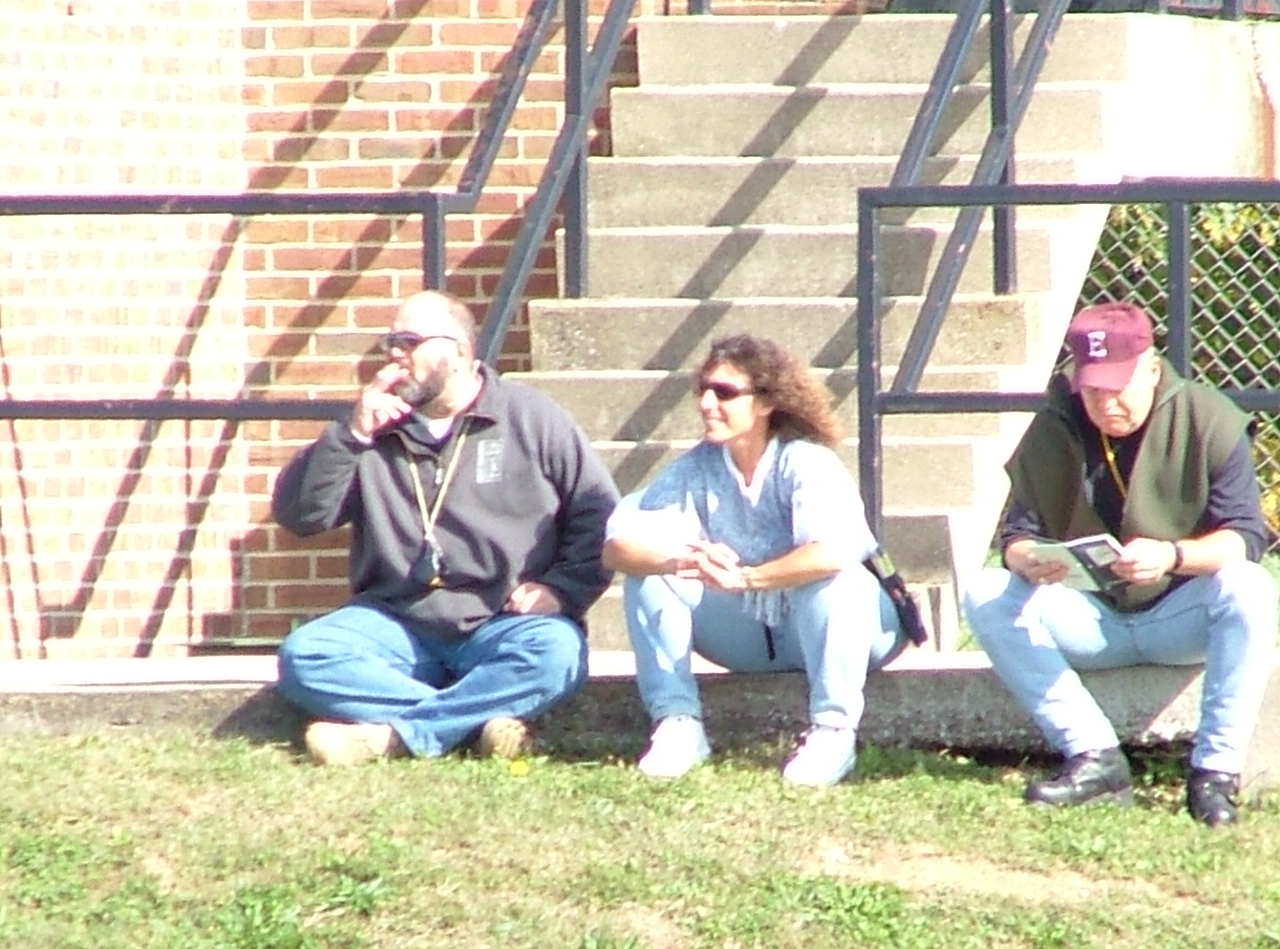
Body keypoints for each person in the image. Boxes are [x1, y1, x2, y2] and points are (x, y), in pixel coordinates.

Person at [272, 290, 619, 765]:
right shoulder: (373, 430)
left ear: (459, 351)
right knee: (307, 655)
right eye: (391, 342)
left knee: (556, 653)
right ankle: (473, 725)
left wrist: (561, 591)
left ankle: (389, 738)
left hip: (503, 623)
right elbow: (301, 516)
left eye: (410, 342)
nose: (396, 354)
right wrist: (351, 434)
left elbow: (599, 516)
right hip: (396, 623)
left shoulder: (530, 418)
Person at [963, 302, 1277, 826]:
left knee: (1249, 586)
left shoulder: (1208, 417)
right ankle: (1094, 757)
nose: (1107, 403)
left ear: (1152, 369)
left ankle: (1215, 775)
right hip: (1092, 618)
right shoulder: (1056, 423)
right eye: (1093, 390)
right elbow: (1017, 536)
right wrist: (1030, 561)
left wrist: (1173, 556)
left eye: (1118, 387)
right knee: (987, 592)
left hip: (1180, 617)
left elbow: (1245, 537)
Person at [602, 333, 914, 787]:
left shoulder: (806, 462)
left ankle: (834, 731)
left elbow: (833, 551)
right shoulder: (696, 467)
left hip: (855, 628)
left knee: (834, 578)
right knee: (648, 575)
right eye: (703, 390)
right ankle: (678, 724)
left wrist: (746, 578)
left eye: (724, 392)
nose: (707, 403)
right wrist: (683, 560)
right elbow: (617, 548)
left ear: (766, 402)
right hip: (751, 631)